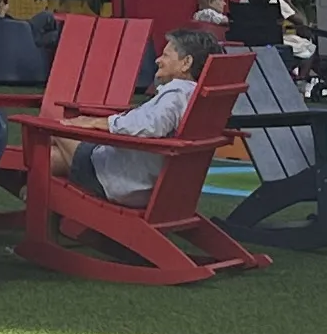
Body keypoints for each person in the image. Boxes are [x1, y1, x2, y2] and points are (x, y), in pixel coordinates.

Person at [74, 27, 219, 205]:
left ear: (186, 62)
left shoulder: (177, 93)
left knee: (52, 136)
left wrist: (99, 122)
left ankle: (42, 218)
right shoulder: (197, 96)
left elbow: (152, 125)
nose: (158, 60)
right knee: (53, 156)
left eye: (166, 55)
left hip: (123, 181)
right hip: (153, 184)